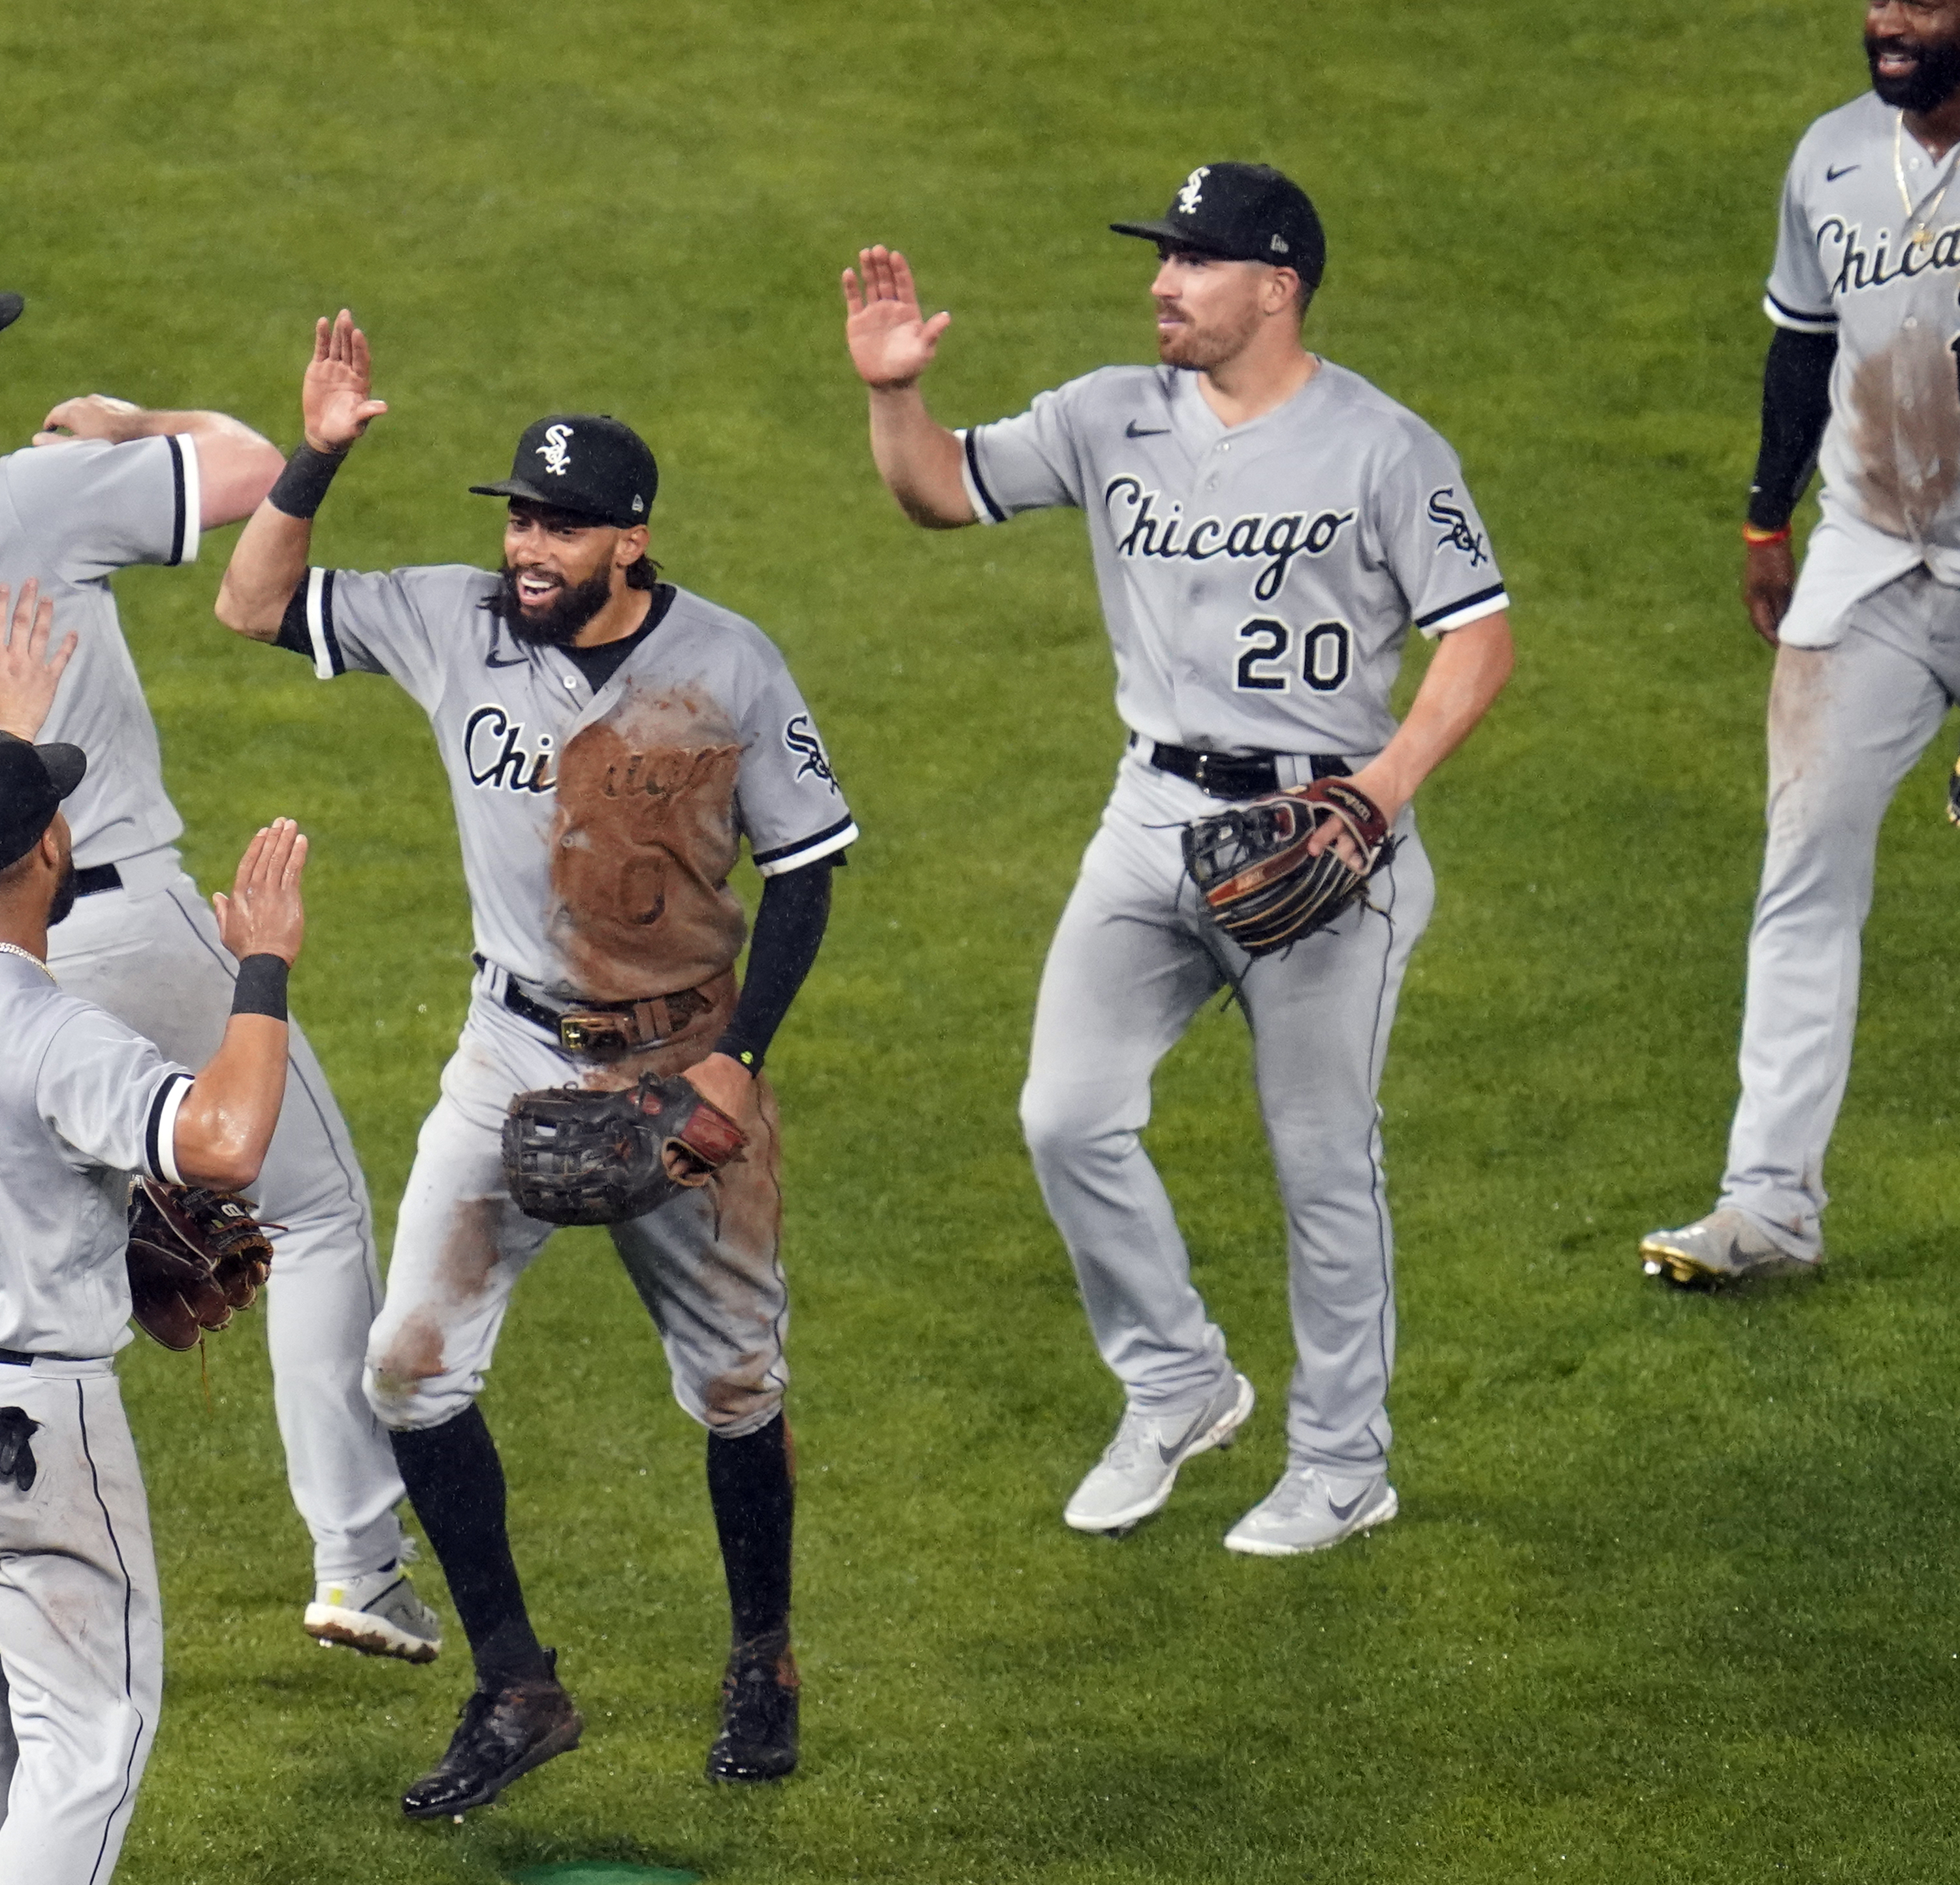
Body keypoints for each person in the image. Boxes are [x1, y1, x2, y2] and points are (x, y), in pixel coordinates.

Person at [215, 313, 855, 1812]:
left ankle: (763, 1656)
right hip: (510, 1051)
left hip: (684, 1053)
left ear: (629, 541)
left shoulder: (729, 667)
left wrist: (738, 1066)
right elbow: (253, 607)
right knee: (407, 1370)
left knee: (736, 1385)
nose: (529, 545)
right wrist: (314, 453)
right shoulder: (452, 620)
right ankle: (517, 1684)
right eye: (518, 515)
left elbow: (809, 869)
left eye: (561, 524)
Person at [0, 259, 437, 1658]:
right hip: (120, 914)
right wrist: (126, 423)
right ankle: (355, 1566)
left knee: (56, 1277)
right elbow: (259, 463)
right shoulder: (25, 491)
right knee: (307, 1213)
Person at [841, 165, 1513, 1555]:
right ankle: (1178, 1381)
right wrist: (893, 391)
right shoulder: (1108, 413)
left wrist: (1378, 796)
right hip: (1150, 817)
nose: (1161, 280)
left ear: (1276, 285)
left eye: (1194, 260)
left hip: (1323, 834)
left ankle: (1342, 1461)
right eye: (1160, 255)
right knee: (1064, 1114)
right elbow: (938, 492)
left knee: (1320, 1159)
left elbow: (1478, 640)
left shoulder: (1385, 448)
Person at [0, 726, 308, 1883]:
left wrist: (54, 1218)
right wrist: (264, 965)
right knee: (88, 1734)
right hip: (19, 1420)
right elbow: (224, 1143)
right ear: (48, 847)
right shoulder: (57, 1030)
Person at [1639, 0, 1960, 1285]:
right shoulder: (1829, 153)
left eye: (1923, 2)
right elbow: (1801, 348)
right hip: (1868, 562)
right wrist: (1765, 514)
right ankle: (1765, 1210)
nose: (1890, 21)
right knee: (1802, 873)